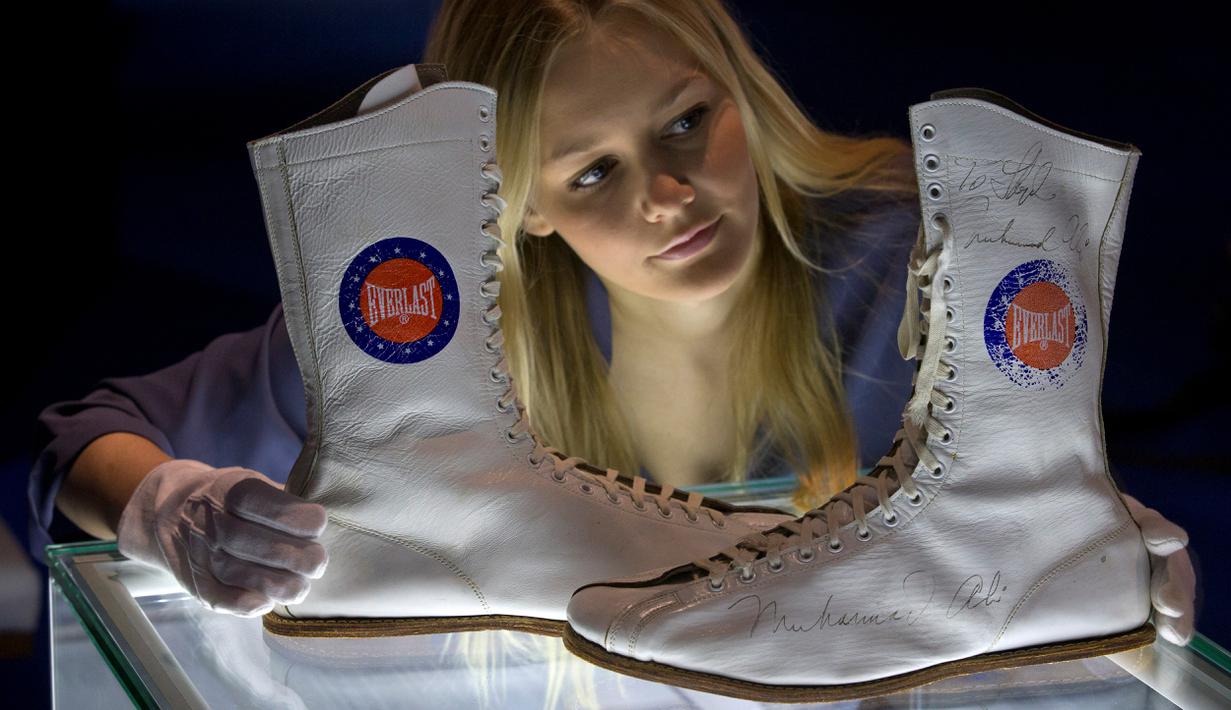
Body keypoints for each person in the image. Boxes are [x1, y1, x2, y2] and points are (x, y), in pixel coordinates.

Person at [28, 0, 1195, 643]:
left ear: (739, 86)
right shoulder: (431, 320)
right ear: (512, 205)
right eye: (589, 173)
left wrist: (1065, 502)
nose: (666, 195)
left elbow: (1022, 435)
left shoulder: (902, 250)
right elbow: (88, 433)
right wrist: (162, 504)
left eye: (688, 121)